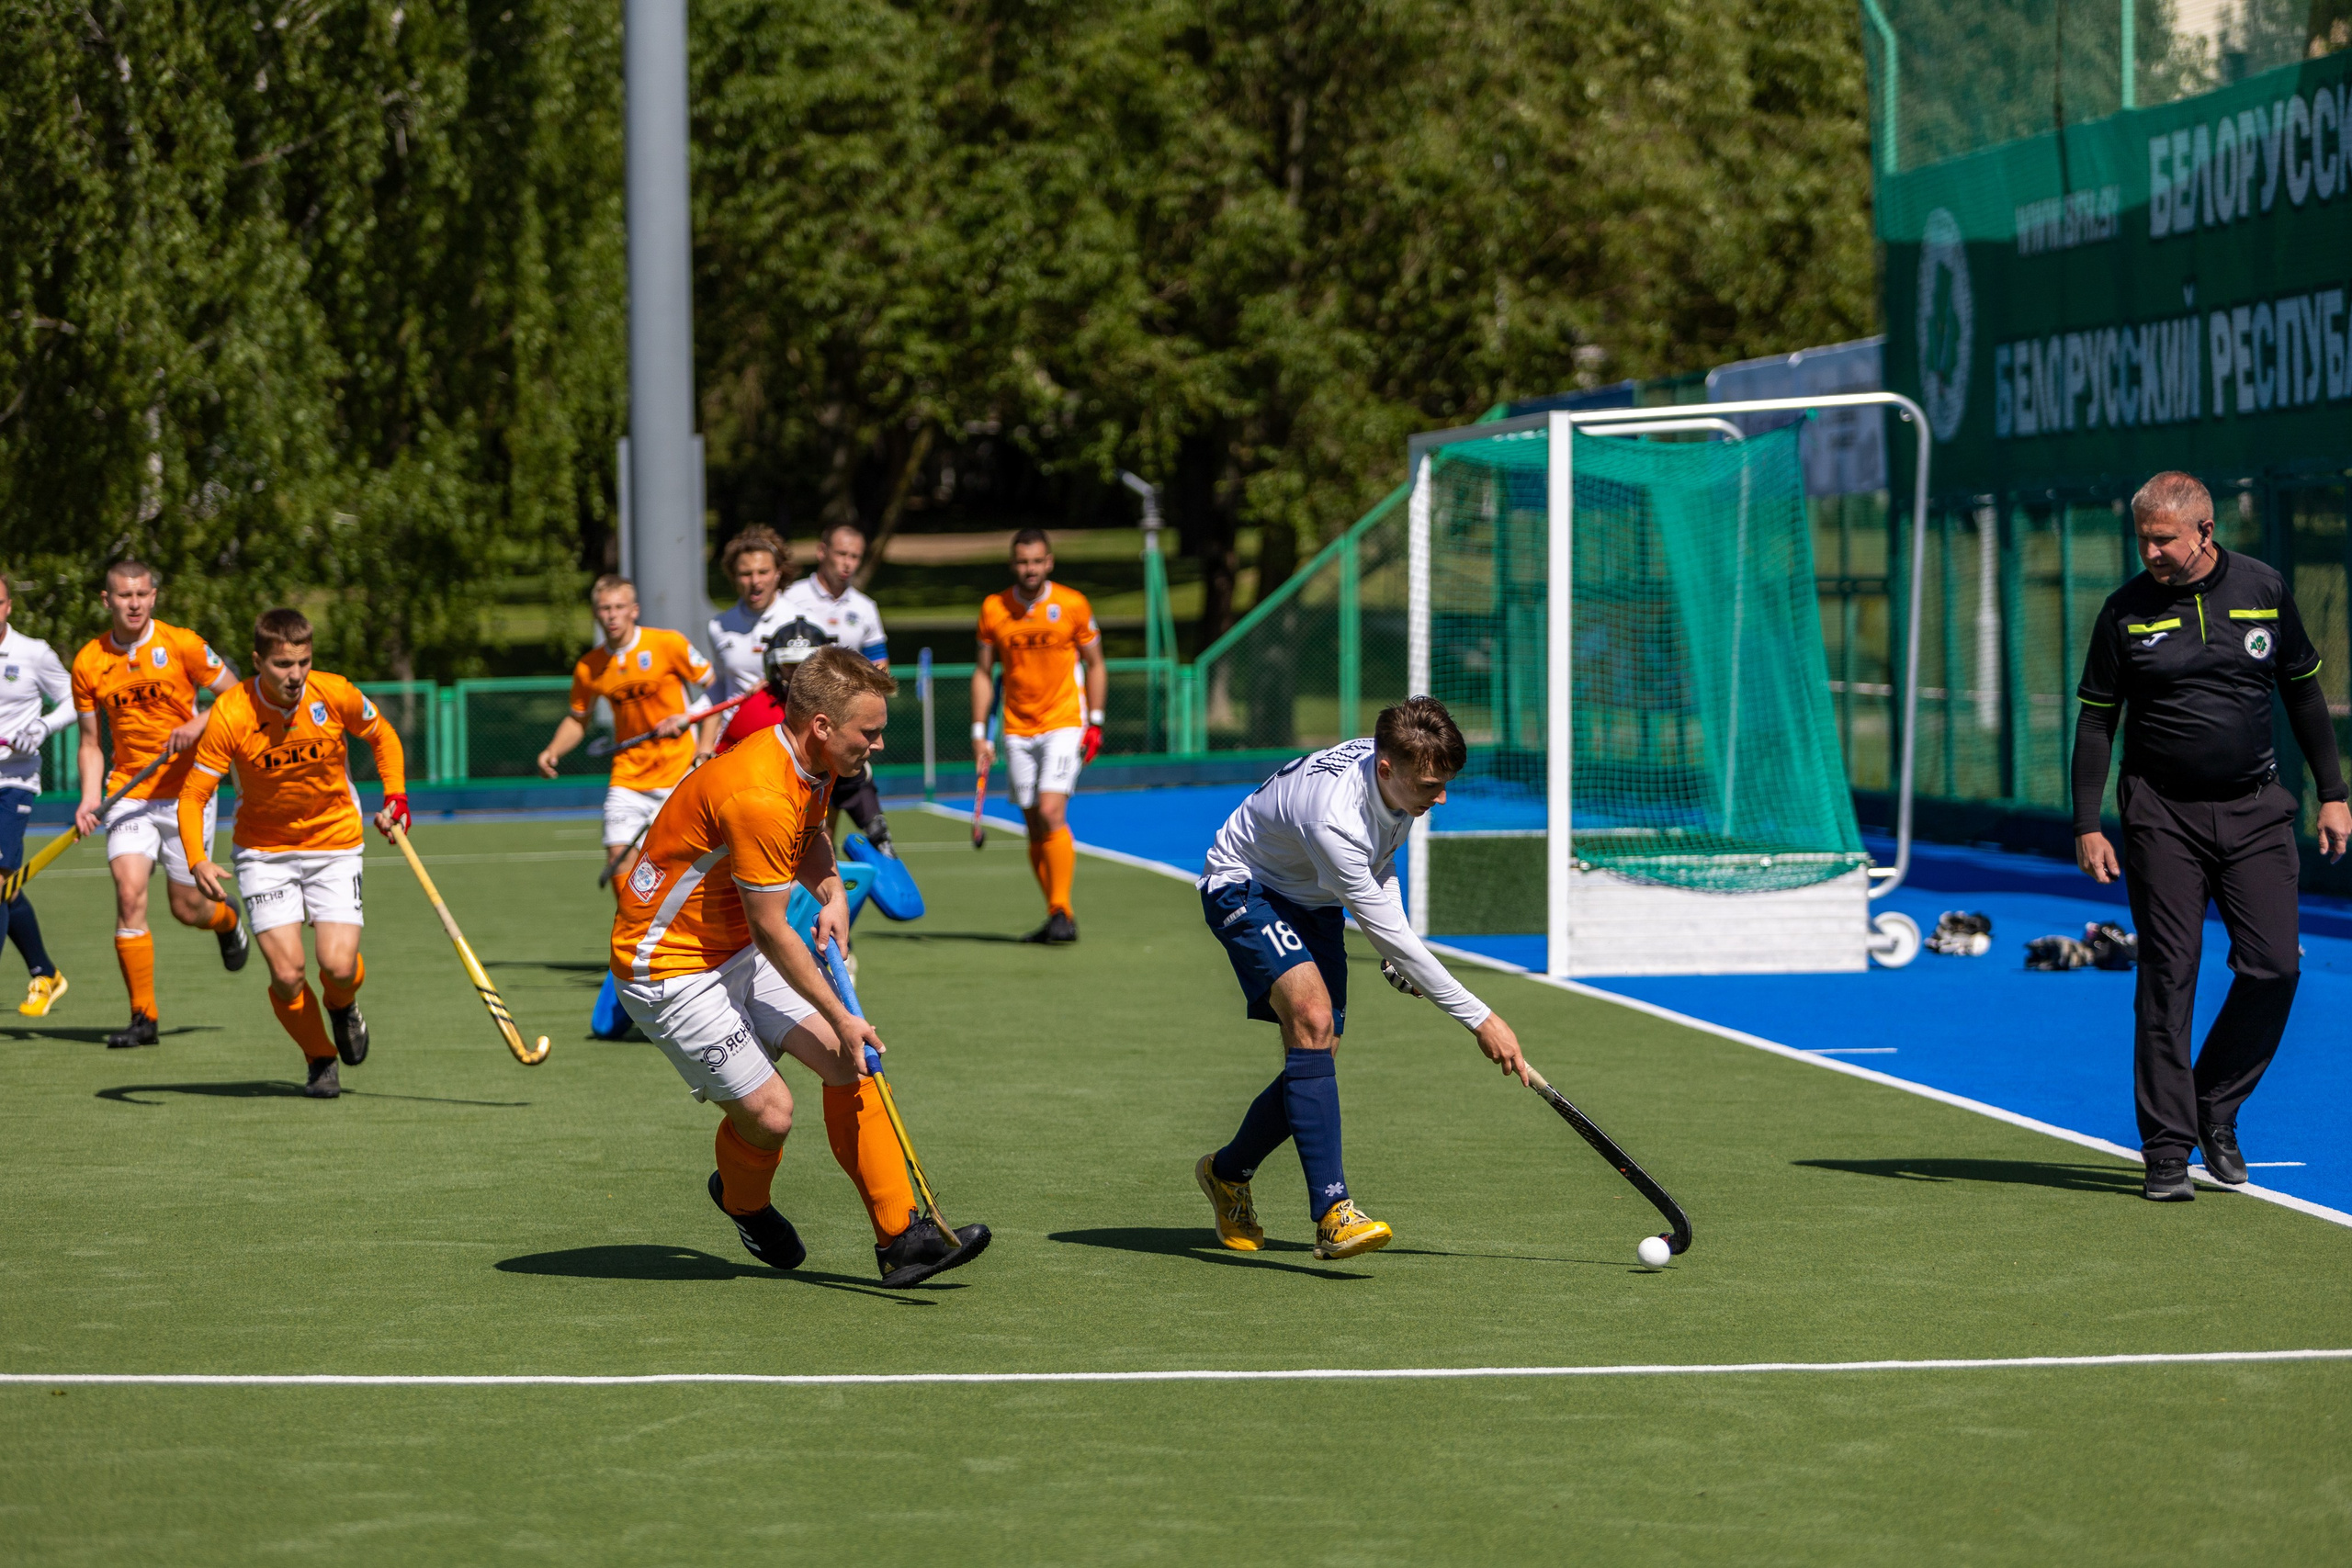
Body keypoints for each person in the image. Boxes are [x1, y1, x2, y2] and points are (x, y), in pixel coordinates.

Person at [611, 645, 989, 1286]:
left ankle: (901, 1239)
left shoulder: (806, 766)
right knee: (772, 1113)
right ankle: (743, 1201)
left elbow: (809, 832)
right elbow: (773, 929)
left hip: (729, 943)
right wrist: (841, 1013)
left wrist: (834, 891)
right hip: (667, 967)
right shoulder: (758, 790)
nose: (878, 743)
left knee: (850, 1063)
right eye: (868, 731)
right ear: (821, 726)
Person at [2072, 470, 2350, 1201]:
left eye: (2163, 538)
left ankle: (2215, 1105)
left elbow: (2304, 693)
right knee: (2169, 975)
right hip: (2161, 815)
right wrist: (2086, 822)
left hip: (2258, 809)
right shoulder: (2123, 612)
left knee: (2274, 968)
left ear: (2205, 529)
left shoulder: (2265, 587)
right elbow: (2097, 719)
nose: (2152, 552)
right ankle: (2166, 1149)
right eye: (2143, 539)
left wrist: (2334, 793)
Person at [1192, 699, 1530, 1259]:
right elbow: (1381, 918)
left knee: (1317, 1050)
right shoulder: (1333, 816)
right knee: (1313, 1018)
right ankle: (1333, 1212)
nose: (1440, 797)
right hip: (1245, 884)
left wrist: (1397, 946)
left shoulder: (1398, 786)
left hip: (1312, 894)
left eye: (1445, 782)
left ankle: (1226, 1174)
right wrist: (1481, 1019)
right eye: (1429, 785)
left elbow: (1381, 859)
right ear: (1385, 768)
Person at [178, 610, 410, 1099]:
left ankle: (343, 1006)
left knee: (338, 967)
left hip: (335, 842)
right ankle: (319, 1057)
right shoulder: (232, 713)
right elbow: (194, 793)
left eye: (303, 662)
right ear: (259, 661)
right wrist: (197, 857)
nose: (296, 676)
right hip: (265, 853)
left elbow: (382, 735)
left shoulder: (333, 692)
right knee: (287, 975)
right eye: (283, 664)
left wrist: (397, 798)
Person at [70, 559, 247, 1048]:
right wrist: (90, 799)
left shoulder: (182, 644)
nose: (133, 604)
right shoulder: (89, 661)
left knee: (188, 906)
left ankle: (227, 920)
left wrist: (198, 724)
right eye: (123, 596)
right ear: (107, 600)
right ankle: (142, 1018)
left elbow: (239, 699)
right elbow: (90, 742)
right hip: (129, 791)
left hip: (189, 792)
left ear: (154, 597)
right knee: (128, 895)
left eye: (141, 595)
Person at [536, 573, 713, 894]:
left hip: (679, 772)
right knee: (620, 861)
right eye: (604, 608)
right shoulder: (589, 666)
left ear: (635, 610)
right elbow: (578, 719)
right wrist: (553, 750)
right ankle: (633, 938)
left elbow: (715, 690)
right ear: (595, 613)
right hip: (628, 777)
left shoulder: (667, 643)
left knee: (687, 871)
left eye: (619, 607)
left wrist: (701, 743)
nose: (612, 614)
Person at [971, 528, 1107, 943]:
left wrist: (1096, 721)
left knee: (1051, 812)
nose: (1029, 569)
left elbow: (1096, 663)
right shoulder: (994, 608)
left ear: (1049, 562)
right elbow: (983, 672)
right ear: (1013, 565)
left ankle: (1062, 909)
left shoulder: (1072, 604)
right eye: (1022, 562)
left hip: (1064, 722)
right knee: (1033, 824)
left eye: (1036, 561)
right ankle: (1056, 915)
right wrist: (980, 733)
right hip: (1016, 728)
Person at [779, 523, 895, 852]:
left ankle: (828, 893)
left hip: (845, 727)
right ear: (822, 552)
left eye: (855, 556)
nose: (848, 563)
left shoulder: (865, 607)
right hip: (804, 725)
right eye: (842, 553)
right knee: (803, 820)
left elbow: (880, 665)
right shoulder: (792, 598)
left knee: (828, 820)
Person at [0, 574, 74, 1016]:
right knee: (7, 886)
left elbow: (74, 700)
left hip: (14, 783)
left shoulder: (33, 653)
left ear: (8, 605)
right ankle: (45, 972)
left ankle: (44, 974)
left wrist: (42, 727)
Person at [704, 524, 796, 752]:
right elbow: (720, 687)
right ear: (734, 577)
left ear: (778, 573)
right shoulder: (719, 626)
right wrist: (702, 746)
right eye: (746, 574)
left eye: (763, 572)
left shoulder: (801, 623)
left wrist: (778, 685)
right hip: (734, 743)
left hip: (786, 743)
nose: (755, 581)